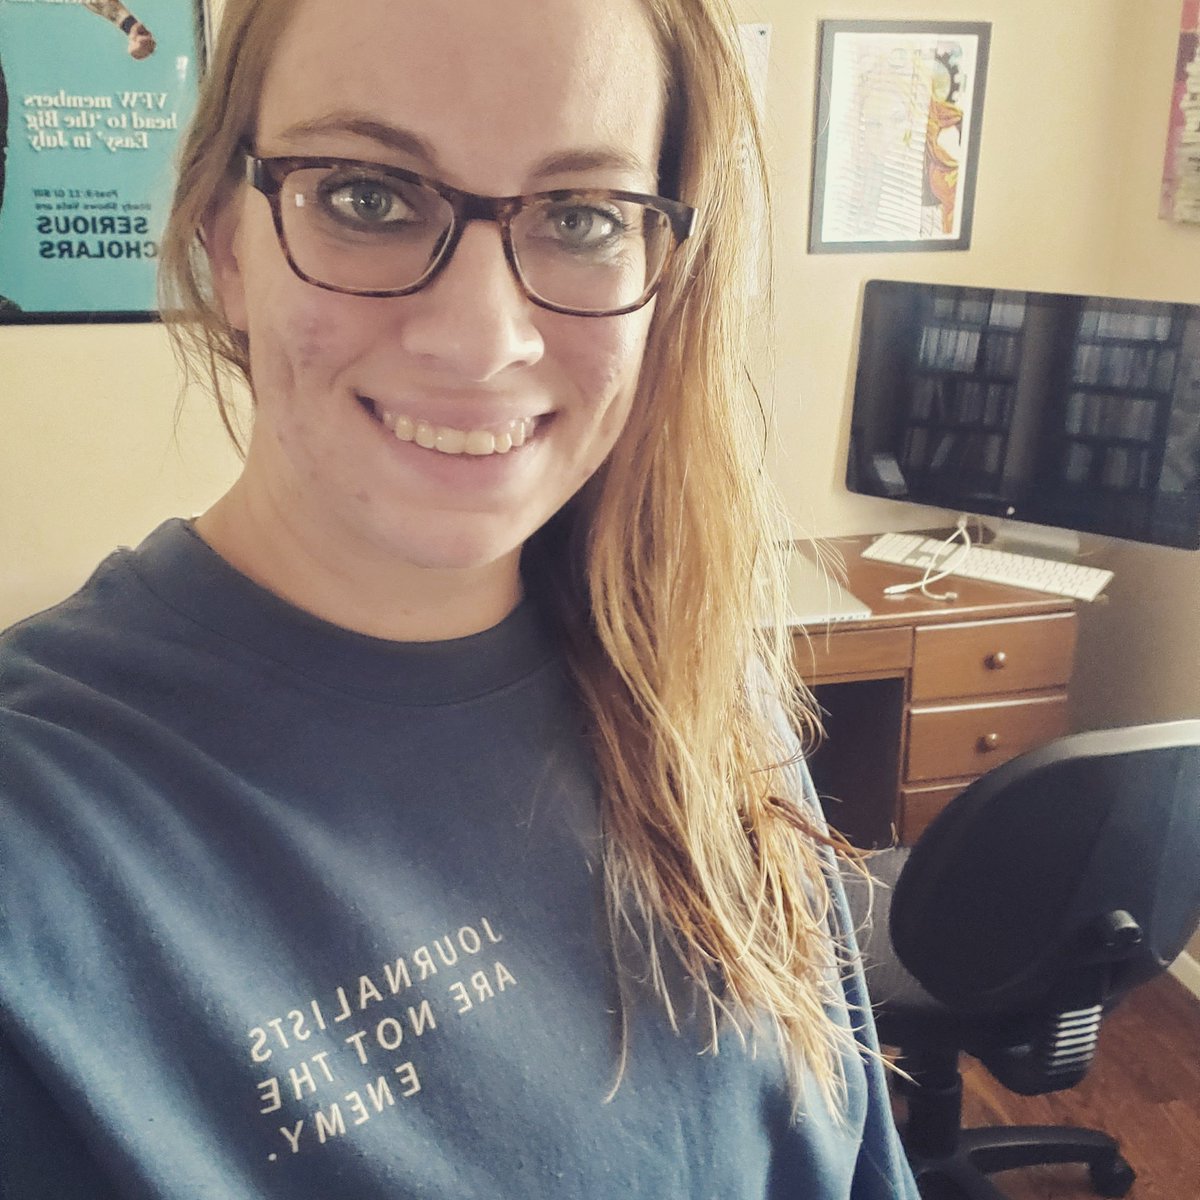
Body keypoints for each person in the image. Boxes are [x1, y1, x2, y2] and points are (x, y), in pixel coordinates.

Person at [0, 0, 919, 1196]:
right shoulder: (41, 832)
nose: (482, 342)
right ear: (225, 248)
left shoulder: (700, 685)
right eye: (366, 196)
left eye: (582, 216)